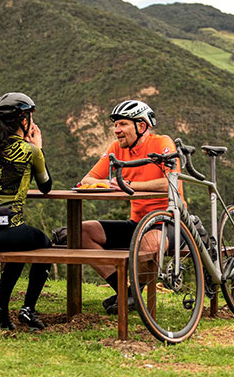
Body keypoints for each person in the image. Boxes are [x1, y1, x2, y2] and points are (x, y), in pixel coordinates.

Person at [78, 100, 184, 314]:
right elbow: (86, 180)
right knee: (81, 232)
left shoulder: (162, 142)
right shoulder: (116, 149)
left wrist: (129, 185)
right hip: (137, 222)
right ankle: (126, 292)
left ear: (142, 126)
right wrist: (107, 184)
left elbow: (171, 182)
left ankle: (133, 294)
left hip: (168, 220)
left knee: (149, 244)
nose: (116, 130)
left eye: (123, 124)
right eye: (115, 125)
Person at [0, 92, 53, 330]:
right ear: (24, 120)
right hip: (7, 229)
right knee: (45, 243)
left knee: (18, 246)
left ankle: (1, 310)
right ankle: (28, 309)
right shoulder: (30, 152)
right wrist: (39, 148)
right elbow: (46, 186)